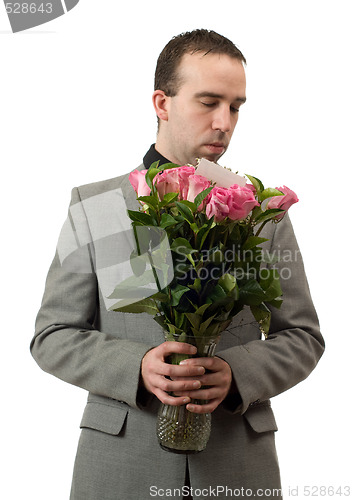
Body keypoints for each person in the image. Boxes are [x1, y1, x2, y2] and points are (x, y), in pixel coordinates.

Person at [31, 30, 324, 500]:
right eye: (209, 102)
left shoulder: (265, 215)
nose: (224, 122)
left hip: (238, 470)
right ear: (162, 104)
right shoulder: (96, 206)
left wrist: (237, 375)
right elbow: (52, 335)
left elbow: (303, 337)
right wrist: (137, 366)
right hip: (119, 469)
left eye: (236, 106)